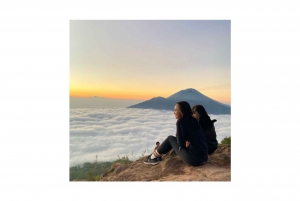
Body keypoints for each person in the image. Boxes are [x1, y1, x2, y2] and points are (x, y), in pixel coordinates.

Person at [143, 101, 208, 166]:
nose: (174, 113)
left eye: (175, 110)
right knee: (174, 139)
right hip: (204, 157)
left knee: (170, 138)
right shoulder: (194, 120)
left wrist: (185, 144)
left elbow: (181, 145)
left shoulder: (181, 122)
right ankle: (156, 155)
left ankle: (153, 157)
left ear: (181, 111)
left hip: (193, 159)